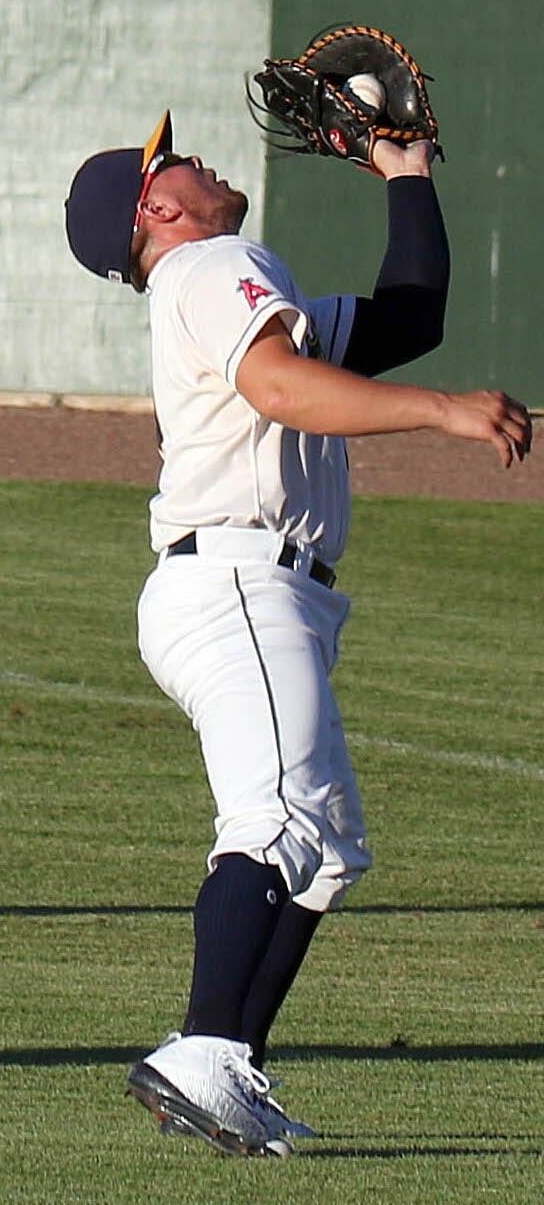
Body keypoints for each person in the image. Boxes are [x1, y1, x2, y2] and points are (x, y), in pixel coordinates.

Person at [65, 110, 531, 1157]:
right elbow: (276, 387)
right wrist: (441, 413)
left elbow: (409, 316)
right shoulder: (212, 264)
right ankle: (202, 1044)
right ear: (157, 204)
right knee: (276, 821)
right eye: (173, 158)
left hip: (249, 588)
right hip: (236, 579)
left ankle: (227, 1063)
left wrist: (403, 176)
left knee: (324, 847)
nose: (198, 158)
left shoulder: (216, 284)